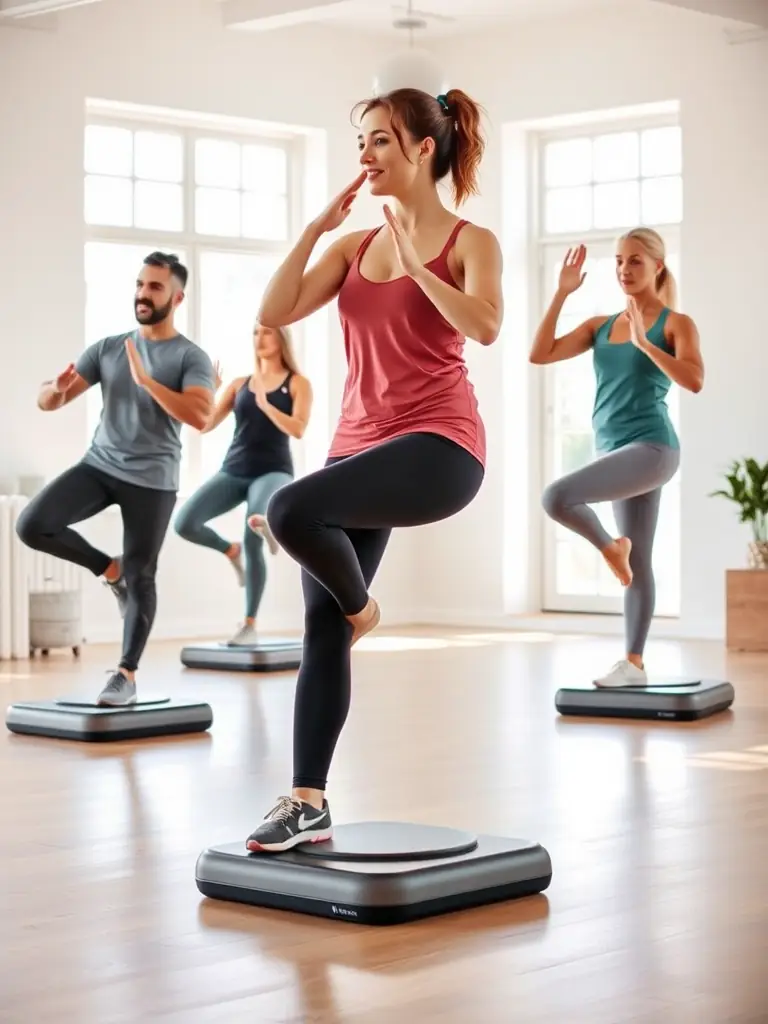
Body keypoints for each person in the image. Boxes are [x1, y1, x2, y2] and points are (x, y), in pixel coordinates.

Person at [242, 86, 503, 853]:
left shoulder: (468, 240)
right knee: (321, 626)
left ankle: (365, 608)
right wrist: (316, 228)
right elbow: (276, 310)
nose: (366, 155)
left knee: (291, 511)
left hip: (441, 447)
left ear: (425, 150)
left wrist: (423, 271)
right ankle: (308, 801)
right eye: (362, 142)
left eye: (381, 141)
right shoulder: (352, 247)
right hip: (357, 443)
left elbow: (485, 325)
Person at [16, 251, 215, 706]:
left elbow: (201, 415)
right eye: (141, 285)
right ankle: (109, 568)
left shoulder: (190, 356)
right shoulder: (107, 348)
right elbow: (48, 400)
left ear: (177, 297)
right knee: (32, 525)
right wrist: (57, 390)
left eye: (156, 287)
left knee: (143, 575)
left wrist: (150, 383)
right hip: (101, 465)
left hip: (153, 479)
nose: (144, 294)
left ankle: (125, 673)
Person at [530, 228, 704, 689]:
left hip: (653, 449)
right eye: (620, 262)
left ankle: (611, 549)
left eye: (636, 262)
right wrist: (561, 294)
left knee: (557, 496)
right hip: (612, 448)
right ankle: (634, 663)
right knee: (640, 561)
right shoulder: (600, 326)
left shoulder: (675, 324)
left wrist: (648, 347)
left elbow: (695, 380)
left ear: (658, 266)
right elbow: (539, 353)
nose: (625, 270)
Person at [173, 322, 312, 645]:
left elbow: (299, 428)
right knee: (184, 522)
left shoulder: (297, 384)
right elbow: (204, 425)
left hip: (273, 470)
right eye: (255, 332)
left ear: (281, 339)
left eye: (267, 331)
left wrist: (266, 405)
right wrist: (209, 391)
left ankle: (249, 623)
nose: (260, 338)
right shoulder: (240, 384)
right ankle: (230, 549)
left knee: (253, 529)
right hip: (234, 470)